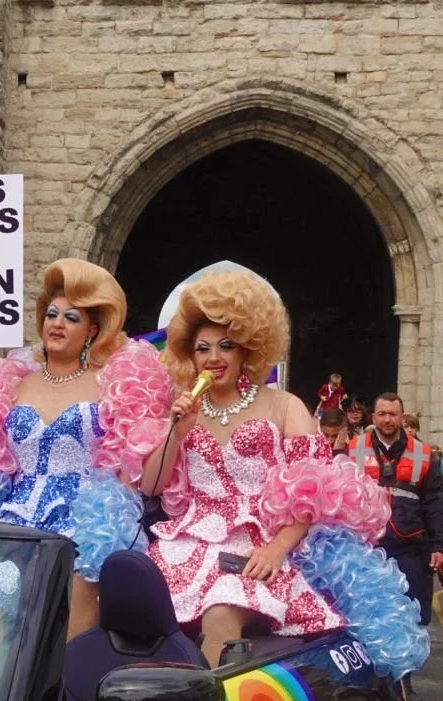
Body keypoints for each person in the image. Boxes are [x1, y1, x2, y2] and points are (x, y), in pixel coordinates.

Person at [143, 269, 397, 667]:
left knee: (222, 609)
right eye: (202, 348)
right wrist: (176, 433)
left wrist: (278, 548)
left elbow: (316, 494)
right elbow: (152, 486)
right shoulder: (184, 410)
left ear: (246, 349)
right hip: (189, 545)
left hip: (261, 544)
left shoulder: (285, 406)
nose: (213, 358)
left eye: (225, 346)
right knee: (137, 607)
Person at [0, 259, 174, 638]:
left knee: (67, 629)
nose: (57, 324)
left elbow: (131, 464)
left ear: (92, 330)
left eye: (71, 318)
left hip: (83, 521)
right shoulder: (14, 382)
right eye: (52, 314)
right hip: (15, 520)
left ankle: (64, 692)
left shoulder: (112, 384)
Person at [349, 393, 443, 701]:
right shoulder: (352, 450)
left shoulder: (426, 455)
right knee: (368, 614)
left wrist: (439, 544)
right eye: (382, 414)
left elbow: (435, 503)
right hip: (368, 544)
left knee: (410, 615)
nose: (388, 420)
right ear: (373, 416)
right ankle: (369, 683)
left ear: (403, 418)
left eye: (393, 414)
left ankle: (405, 683)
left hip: (412, 546)